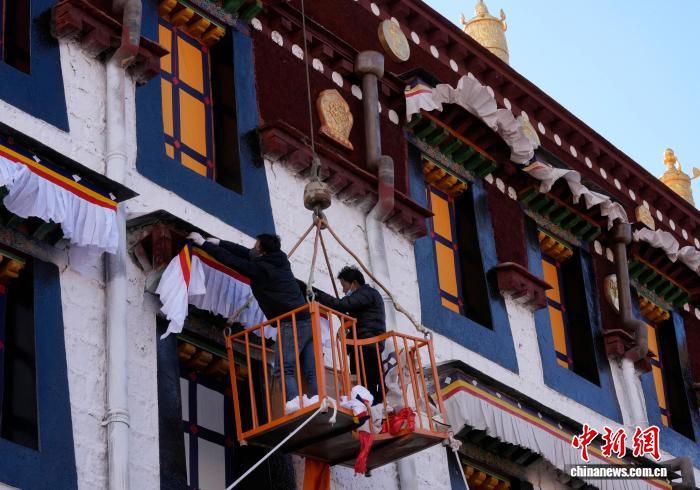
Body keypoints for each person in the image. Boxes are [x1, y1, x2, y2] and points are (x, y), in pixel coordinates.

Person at [187, 232, 316, 411]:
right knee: (310, 369)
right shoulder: (279, 260)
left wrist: (204, 244)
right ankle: (318, 398)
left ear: (263, 251)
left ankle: (294, 402)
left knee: (283, 367)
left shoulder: (262, 270)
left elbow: (233, 261)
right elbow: (244, 252)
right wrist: (220, 242)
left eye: (256, 245)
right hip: (307, 320)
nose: (253, 248)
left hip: (290, 321)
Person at [313, 266, 386, 404]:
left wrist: (317, 294)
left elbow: (342, 305)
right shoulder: (365, 297)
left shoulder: (366, 293)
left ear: (354, 283)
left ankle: (371, 407)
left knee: (366, 383)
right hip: (362, 345)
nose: (343, 290)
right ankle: (368, 406)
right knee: (362, 383)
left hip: (367, 344)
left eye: (344, 285)